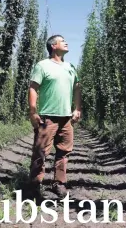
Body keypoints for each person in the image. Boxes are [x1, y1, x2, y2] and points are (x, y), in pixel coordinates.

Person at [27, 34, 82, 199]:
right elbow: (33, 88)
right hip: (47, 116)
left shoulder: (71, 67)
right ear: (53, 46)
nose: (66, 42)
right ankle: (35, 185)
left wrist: (77, 108)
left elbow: (77, 88)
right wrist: (33, 112)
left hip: (66, 118)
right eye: (62, 40)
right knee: (40, 151)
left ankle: (59, 183)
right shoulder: (42, 66)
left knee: (64, 152)